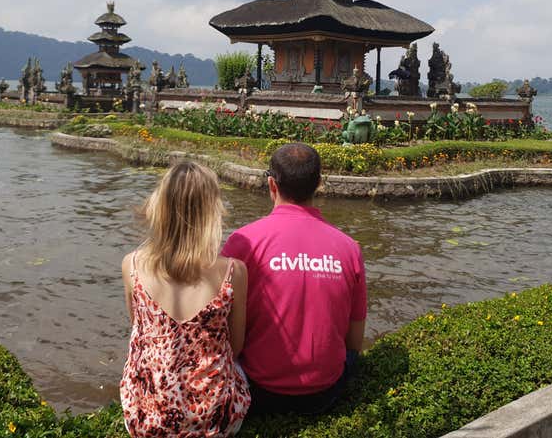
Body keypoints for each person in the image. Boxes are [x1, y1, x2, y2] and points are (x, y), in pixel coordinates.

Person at [222, 143, 367, 415]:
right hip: (326, 391)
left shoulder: (243, 242)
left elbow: (219, 324)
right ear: (319, 184)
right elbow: (354, 342)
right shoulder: (349, 248)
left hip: (258, 389)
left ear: (271, 185)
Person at [120, 162, 250, 437]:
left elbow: (138, 328)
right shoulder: (233, 271)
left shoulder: (131, 264)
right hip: (216, 421)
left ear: (160, 207)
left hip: (147, 421)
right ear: (211, 213)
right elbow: (236, 346)